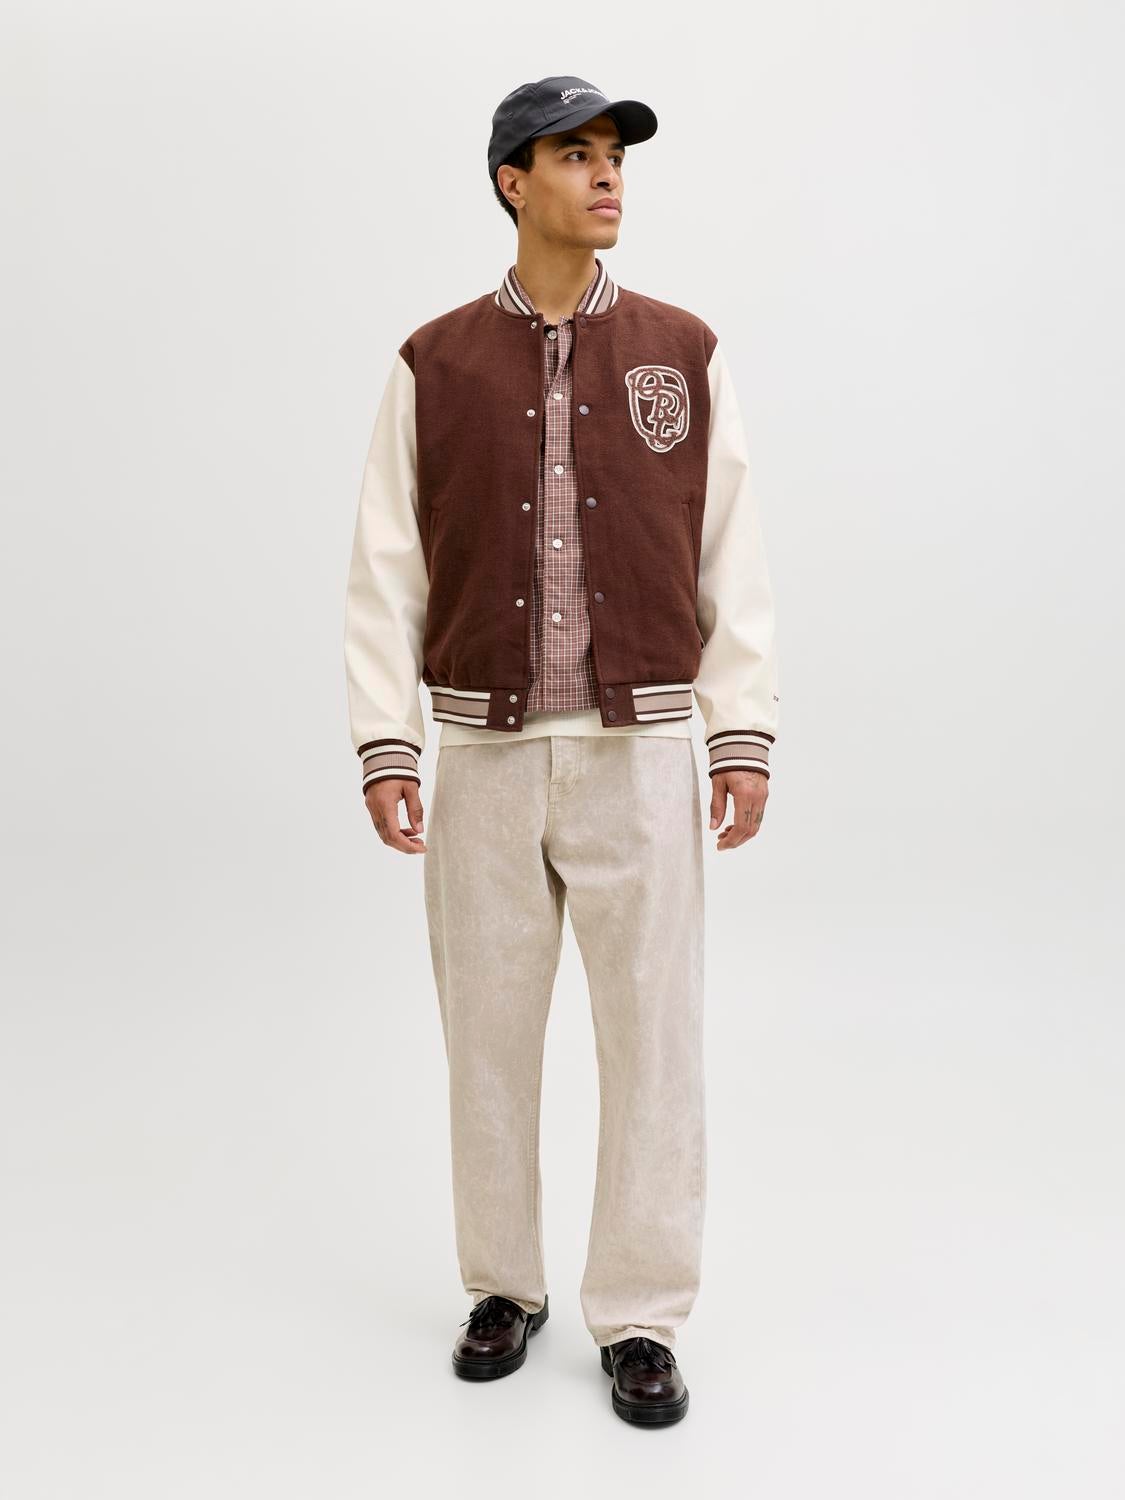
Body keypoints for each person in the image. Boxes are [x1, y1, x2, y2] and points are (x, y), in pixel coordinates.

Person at [343, 74, 780, 1426]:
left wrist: (739, 727)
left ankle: (640, 1312)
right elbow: (386, 565)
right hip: (482, 754)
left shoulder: (680, 351)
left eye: (614, 157)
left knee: (654, 1041)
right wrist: (387, 741)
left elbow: (729, 551)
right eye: (574, 155)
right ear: (510, 183)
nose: (606, 177)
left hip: (640, 748)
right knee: (487, 1036)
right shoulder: (432, 365)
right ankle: (503, 1286)